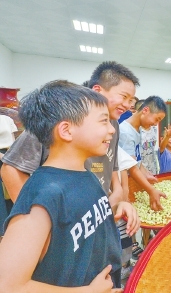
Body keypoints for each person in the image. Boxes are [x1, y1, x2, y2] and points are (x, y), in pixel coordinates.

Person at [0, 80, 140, 291]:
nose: (112, 130)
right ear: (66, 130)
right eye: (103, 121)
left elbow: (79, 220)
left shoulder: (86, 175)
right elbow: (8, 286)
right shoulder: (44, 194)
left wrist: (116, 209)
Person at [1, 61, 140, 209]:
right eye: (124, 97)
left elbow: (111, 162)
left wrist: (117, 190)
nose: (127, 105)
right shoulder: (59, 118)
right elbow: (11, 169)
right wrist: (34, 216)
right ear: (98, 91)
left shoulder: (114, 124)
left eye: (130, 100)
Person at [0, 114, 17, 235]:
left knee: (12, 191)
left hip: (10, 155)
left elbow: (15, 140)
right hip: (4, 156)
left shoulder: (7, 118)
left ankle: (12, 227)